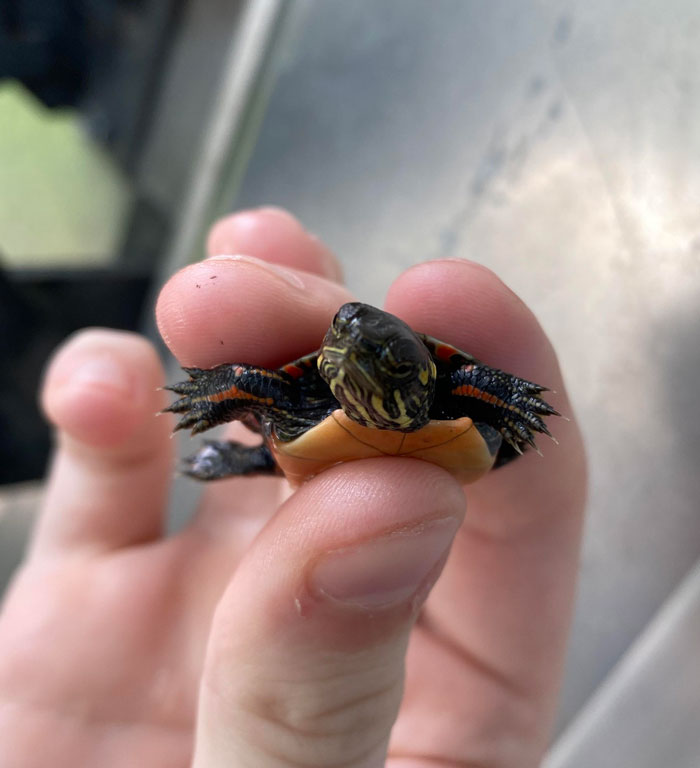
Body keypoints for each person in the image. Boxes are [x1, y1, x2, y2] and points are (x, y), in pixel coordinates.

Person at [0, 208, 586, 767]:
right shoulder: (311, 396)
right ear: (331, 364)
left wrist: (516, 406)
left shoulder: (452, 386)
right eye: (345, 349)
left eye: (384, 358)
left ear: (419, 367)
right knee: (264, 423)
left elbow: (486, 389)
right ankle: (250, 460)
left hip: (411, 449)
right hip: (328, 452)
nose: (354, 351)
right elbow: (258, 387)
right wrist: (223, 393)